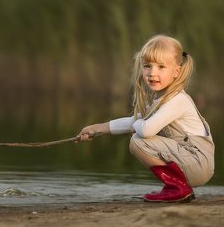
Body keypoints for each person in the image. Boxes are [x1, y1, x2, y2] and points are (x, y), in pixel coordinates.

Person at [77, 34, 214, 202]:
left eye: (161, 67)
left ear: (176, 72)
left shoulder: (178, 100)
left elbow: (146, 129)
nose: (152, 73)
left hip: (197, 164)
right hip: (192, 161)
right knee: (139, 133)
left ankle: (177, 187)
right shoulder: (163, 99)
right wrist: (96, 128)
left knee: (139, 141)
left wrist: (139, 123)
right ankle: (178, 187)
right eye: (147, 66)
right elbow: (135, 122)